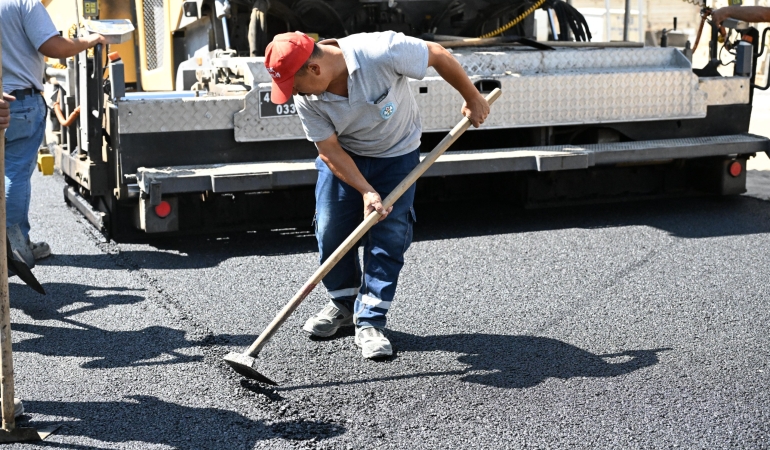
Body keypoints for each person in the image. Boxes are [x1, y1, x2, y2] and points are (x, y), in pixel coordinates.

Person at [264, 31, 490, 358]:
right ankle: (343, 304)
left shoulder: (380, 51)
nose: (293, 93)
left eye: (293, 84)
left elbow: (438, 54)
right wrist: (366, 191)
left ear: (314, 69)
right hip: (345, 157)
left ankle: (370, 318)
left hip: (396, 155)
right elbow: (329, 150)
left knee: (389, 235)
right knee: (330, 230)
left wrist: (472, 97)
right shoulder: (306, 97)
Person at [0, 0, 105, 260]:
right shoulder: (23, 3)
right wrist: (89, 41)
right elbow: (53, 47)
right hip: (19, 102)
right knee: (15, 173)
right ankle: (15, 248)